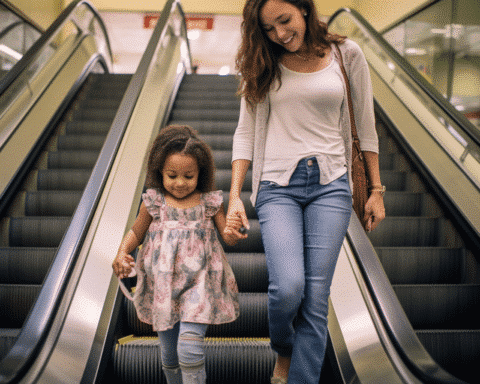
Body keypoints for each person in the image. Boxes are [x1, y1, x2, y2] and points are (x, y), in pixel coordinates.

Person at [225, 0, 386, 383]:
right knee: (288, 287)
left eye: (285, 21)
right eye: (269, 29)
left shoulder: (347, 55)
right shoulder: (262, 63)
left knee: (314, 300)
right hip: (277, 186)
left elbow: (365, 123)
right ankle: (283, 346)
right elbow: (245, 133)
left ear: (304, 10)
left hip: (331, 185)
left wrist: (376, 188)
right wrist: (234, 197)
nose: (280, 34)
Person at [112, 125, 243, 384]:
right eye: (172, 175)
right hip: (163, 285)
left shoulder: (209, 201)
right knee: (170, 355)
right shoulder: (154, 201)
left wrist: (232, 231)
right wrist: (122, 251)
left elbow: (225, 236)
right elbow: (136, 232)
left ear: (200, 174)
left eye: (189, 176)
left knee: (189, 349)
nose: (180, 183)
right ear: (160, 171)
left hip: (201, 283)